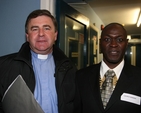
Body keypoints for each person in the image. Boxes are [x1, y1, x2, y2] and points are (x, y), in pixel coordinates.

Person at [0, 9, 77, 113]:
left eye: (47, 28)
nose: (41, 33)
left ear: (55, 35)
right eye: (35, 29)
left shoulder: (70, 69)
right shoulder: (4, 67)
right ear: (27, 36)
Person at [73, 22, 141, 113]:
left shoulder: (139, 77)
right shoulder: (81, 76)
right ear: (100, 43)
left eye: (120, 40)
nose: (113, 44)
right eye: (107, 39)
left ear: (126, 43)